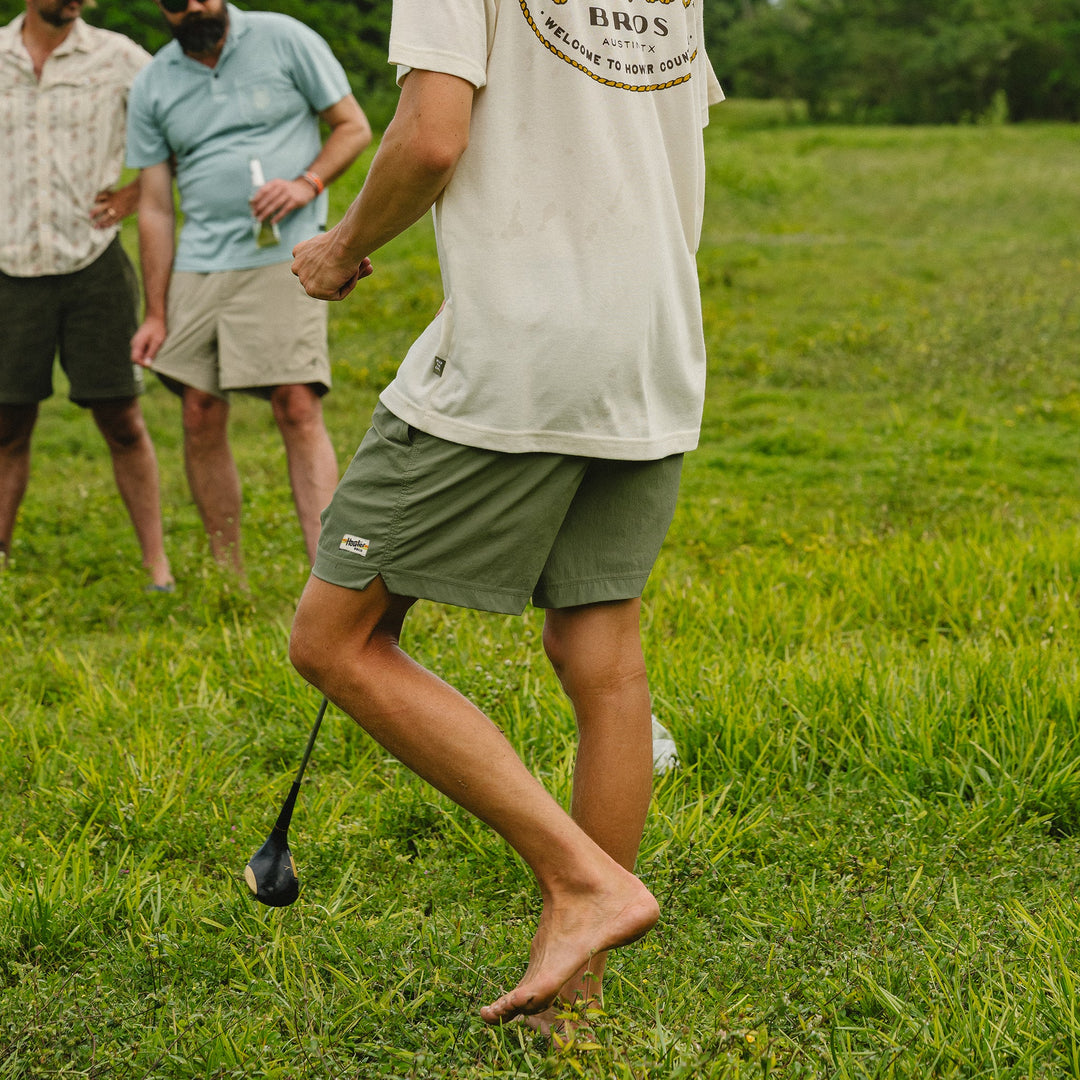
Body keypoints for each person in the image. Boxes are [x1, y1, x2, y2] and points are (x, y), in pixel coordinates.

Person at [289, 0, 723, 1031]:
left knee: (334, 638)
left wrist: (343, 243)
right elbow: (667, 135)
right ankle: (572, 1002)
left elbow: (434, 135)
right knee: (602, 651)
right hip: (654, 342)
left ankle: (585, 882)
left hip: (523, 352)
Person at [126, 0, 371, 574]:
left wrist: (307, 185)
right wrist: (155, 312)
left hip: (284, 252)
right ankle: (225, 571)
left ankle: (329, 572)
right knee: (199, 410)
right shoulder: (154, 82)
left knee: (295, 403)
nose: (193, 7)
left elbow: (353, 126)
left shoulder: (285, 38)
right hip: (201, 261)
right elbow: (157, 209)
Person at [0, 0, 173, 590]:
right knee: (7, 425)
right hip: (8, 267)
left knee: (122, 418)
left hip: (93, 266)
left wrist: (131, 196)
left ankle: (157, 568)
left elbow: (182, 120)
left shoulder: (118, 57)